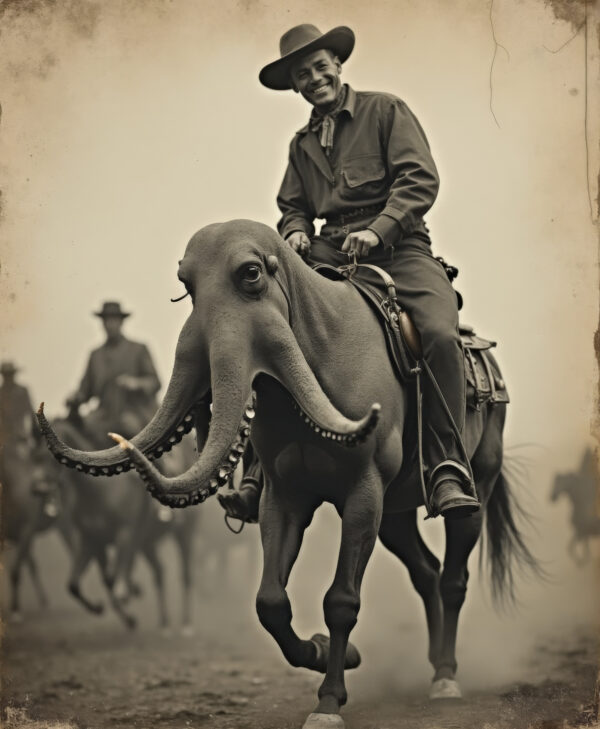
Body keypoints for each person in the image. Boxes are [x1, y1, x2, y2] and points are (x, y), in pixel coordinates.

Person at [220, 23, 480, 523]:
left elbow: (420, 178)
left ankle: (446, 464)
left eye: (320, 67)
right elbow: (292, 206)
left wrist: (380, 230)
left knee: (440, 334)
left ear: (337, 66)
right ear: (296, 86)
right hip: (329, 253)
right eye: (303, 75)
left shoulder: (385, 110)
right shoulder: (300, 145)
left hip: (400, 250)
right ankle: (257, 472)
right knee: (267, 323)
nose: (314, 78)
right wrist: (295, 231)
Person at [67, 301, 161, 445]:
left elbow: (155, 382)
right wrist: (75, 397)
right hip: (103, 415)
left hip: (132, 412)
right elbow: (85, 390)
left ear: (121, 322)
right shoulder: (96, 355)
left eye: (113, 320)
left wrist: (135, 383)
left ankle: (157, 466)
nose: (110, 324)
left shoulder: (138, 349)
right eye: (106, 320)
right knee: (74, 434)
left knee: (142, 439)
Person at [0, 361, 36, 452]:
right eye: (6, 375)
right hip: (4, 435)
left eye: (10, 374)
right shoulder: (1, 393)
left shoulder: (22, 391)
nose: (8, 377)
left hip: (21, 433)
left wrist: (34, 432)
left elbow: (30, 412)